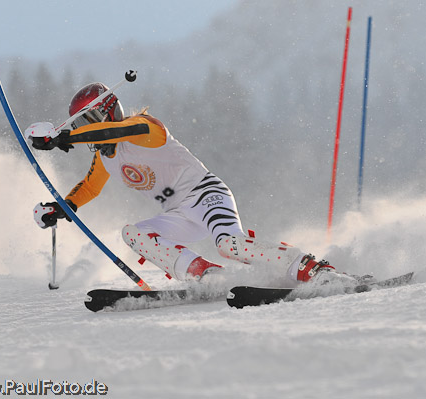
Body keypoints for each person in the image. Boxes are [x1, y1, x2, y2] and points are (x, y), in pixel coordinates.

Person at [27, 82, 359, 287]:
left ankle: (311, 268)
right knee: (132, 233)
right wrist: (60, 209)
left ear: (110, 112)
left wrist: (64, 135)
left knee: (230, 244)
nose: (90, 130)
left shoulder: (144, 127)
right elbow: (88, 188)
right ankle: (206, 275)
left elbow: (116, 132)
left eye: (91, 120)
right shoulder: (105, 157)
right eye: (83, 124)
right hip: (179, 213)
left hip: (206, 195)